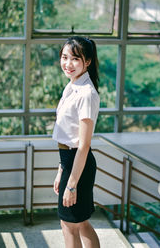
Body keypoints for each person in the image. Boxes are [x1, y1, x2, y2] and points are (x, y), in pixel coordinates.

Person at [53, 36, 100, 248]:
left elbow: (83, 144)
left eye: (74, 58)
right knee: (77, 223)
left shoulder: (86, 94)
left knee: (71, 224)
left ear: (87, 61)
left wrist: (71, 184)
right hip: (69, 161)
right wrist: (61, 170)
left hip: (78, 164)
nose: (67, 63)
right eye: (64, 57)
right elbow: (67, 136)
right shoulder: (72, 86)